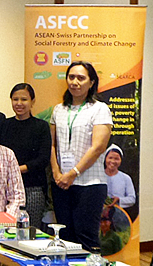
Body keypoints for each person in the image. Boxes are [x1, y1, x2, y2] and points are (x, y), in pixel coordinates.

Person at [50, 61, 112, 249]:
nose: (75, 82)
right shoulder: (58, 109)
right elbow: (51, 144)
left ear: (91, 82)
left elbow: (98, 147)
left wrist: (73, 173)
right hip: (61, 183)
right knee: (65, 237)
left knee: (86, 236)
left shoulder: (99, 109)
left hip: (89, 184)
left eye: (81, 78)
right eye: (71, 77)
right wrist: (56, 173)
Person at [0, 83, 51, 229]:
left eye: (24, 99)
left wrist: (17, 170)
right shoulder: (4, 125)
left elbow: (43, 159)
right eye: (15, 99)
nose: (19, 103)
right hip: (6, 189)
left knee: (29, 231)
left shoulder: (41, 126)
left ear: (32, 101)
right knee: (6, 229)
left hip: (32, 188)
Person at [103, 144, 136, 209]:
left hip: (119, 214)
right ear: (105, 158)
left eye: (116, 159)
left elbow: (132, 199)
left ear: (121, 160)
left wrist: (119, 200)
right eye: (110, 158)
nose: (113, 161)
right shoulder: (99, 175)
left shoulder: (126, 178)